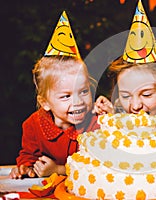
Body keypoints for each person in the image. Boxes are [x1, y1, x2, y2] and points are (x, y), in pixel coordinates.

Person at [9, 11, 100, 179]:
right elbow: (29, 156)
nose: (78, 102)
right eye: (66, 96)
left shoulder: (96, 124)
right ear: (45, 103)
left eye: (84, 91)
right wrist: (25, 168)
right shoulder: (33, 125)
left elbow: (98, 166)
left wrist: (58, 170)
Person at [94, 0, 156, 132]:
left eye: (147, 95)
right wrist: (111, 116)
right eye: (126, 96)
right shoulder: (119, 115)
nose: (135, 106)